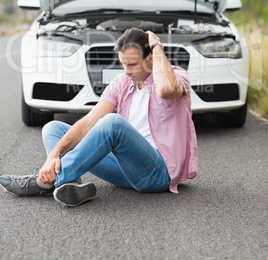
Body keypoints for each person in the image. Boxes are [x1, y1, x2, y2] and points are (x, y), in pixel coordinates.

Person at [0, 28, 198, 207]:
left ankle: (43, 182)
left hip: (157, 174)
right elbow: (88, 123)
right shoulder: (122, 82)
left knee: (113, 124)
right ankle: (69, 184)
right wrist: (54, 154)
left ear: (151, 59)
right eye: (123, 64)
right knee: (53, 129)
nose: (126, 71)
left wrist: (156, 45)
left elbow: (165, 89)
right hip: (125, 170)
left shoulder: (177, 76)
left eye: (132, 64)